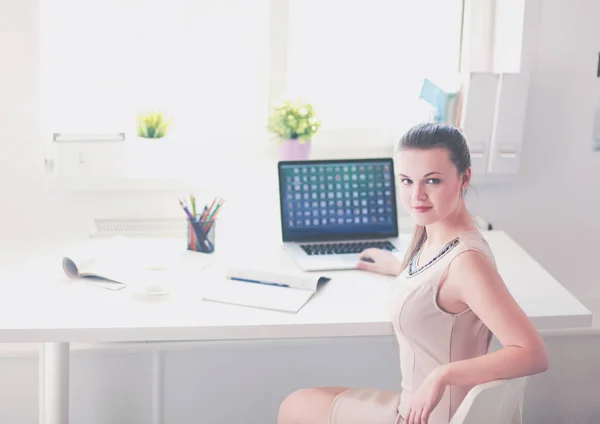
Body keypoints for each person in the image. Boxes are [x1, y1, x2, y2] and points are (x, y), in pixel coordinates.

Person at [277, 122, 549, 424]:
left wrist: (441, 376)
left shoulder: (467, 263)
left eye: (432, 181)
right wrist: (400, 268)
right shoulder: (438, 235)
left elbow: (532, 353)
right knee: (302, 402)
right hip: (422, 408)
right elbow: (443, 288)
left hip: (426, 416)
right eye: (406, 181)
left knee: (296, 407)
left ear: (464, 177)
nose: (416, 195)